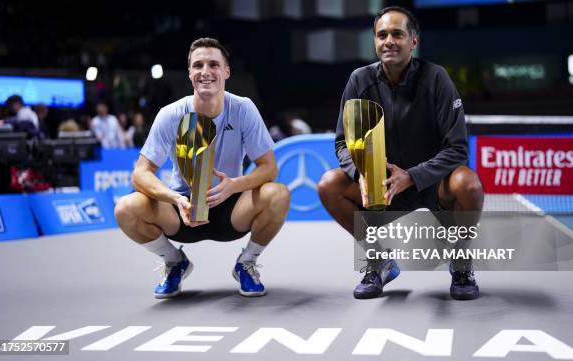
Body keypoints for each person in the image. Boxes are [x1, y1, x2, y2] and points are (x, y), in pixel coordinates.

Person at [318, 7, 484, 300]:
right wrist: (362, 174)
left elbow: (458, 148)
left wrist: (413, 175)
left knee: (468, 184)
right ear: (375, 41)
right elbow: (343, 144)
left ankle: (460, 263)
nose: (389, 41)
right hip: (385, 187)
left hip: (434, 185)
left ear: (413, 41)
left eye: (397, 34)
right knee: (329, 185)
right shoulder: (359, 81)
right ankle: (379, 261)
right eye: (382, 35)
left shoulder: (436, 78)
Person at [114, 38, 290, 299]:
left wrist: (234, 185)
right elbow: (141, 173)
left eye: (213, 65)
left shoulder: (243, 109)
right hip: (182, 210)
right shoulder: (170, 115)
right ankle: (175, 262)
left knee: (278, 194)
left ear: (226, 72)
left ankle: (247, 263)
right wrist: (174, 198)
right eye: (198, 65)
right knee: (126, 208)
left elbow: (268, 168)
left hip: (230, 207)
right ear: (189, 73)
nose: (205, 72)